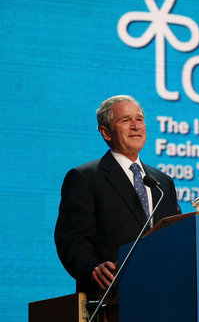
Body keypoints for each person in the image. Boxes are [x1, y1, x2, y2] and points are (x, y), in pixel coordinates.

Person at [54, 95, 181, 294]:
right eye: (125, 120)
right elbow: (71, 239)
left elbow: (176, 236)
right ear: (105, 132)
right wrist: (92, 269)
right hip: (112, 295)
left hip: (163, 292)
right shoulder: (85, 178)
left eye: (139, 119)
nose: (135, 126)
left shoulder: (162, 182)